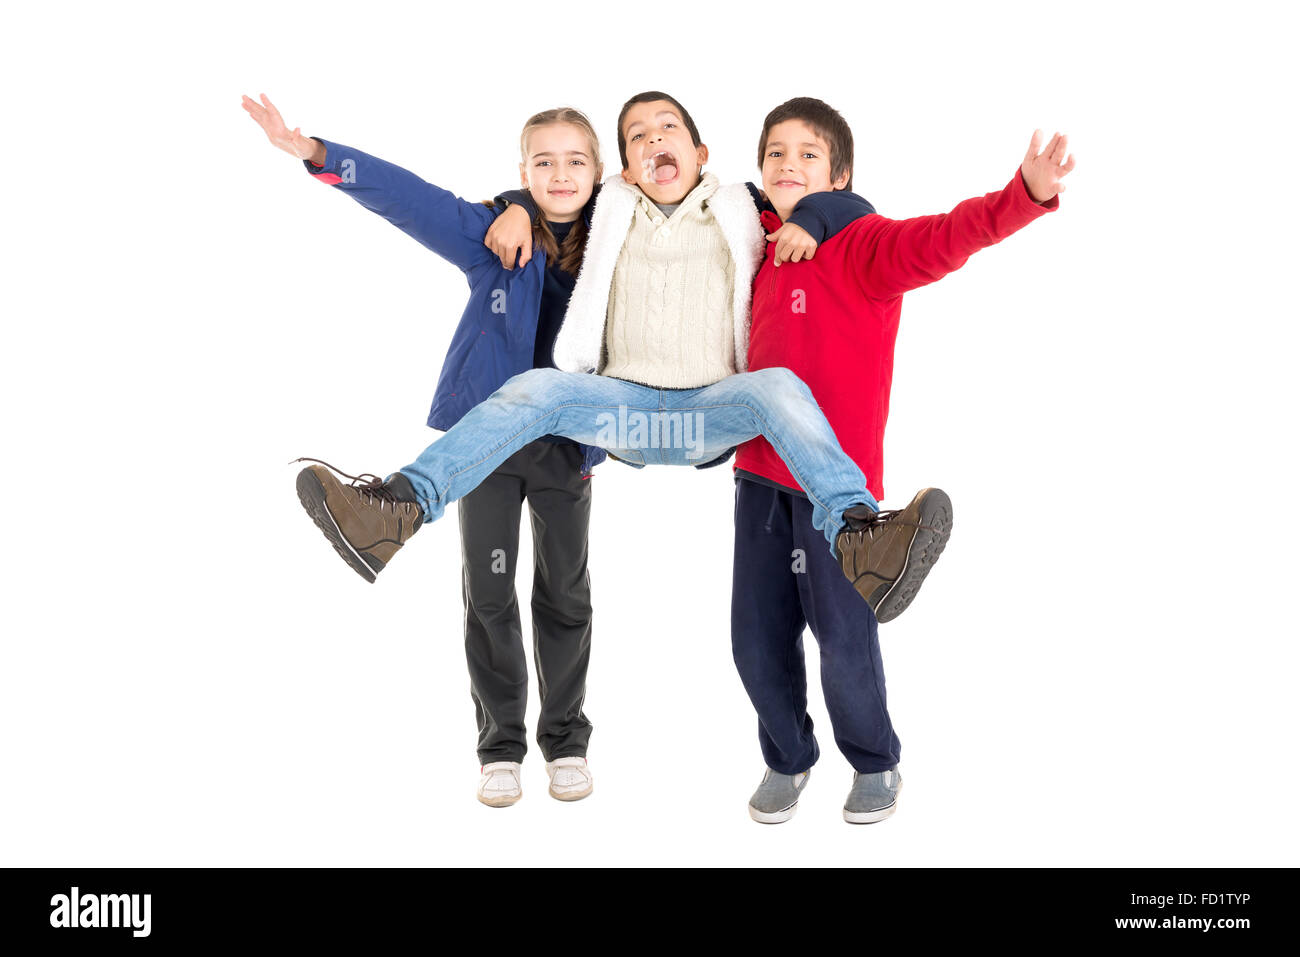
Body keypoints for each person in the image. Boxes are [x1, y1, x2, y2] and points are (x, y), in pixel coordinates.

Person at [293, 91, 953, 626]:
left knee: (776, 385)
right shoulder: (605, 215)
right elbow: (489, 198)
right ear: (625, 168)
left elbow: (832, 198)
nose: (652, 137)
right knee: (539, 391)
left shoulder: (747, 210)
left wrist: (824, 211)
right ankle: (396, 510)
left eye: (667, 127)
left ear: (699, 153)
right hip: (625, 413)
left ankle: (860, 536)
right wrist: (515, 204)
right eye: (637, 135)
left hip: (706, 417)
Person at [242, 94, 606, 809]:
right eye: (543, 163)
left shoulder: (617, 245)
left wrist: (517, 203)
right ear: (524, 169)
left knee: (566, 593)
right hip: (485, 449)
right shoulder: (496, 234)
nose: (560, 175)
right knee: (490, 592)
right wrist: (318, 153)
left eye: (575, 161)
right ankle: (500, 744)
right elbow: (412, 200)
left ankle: (565, 739)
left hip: (568, 447)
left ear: (599, 171)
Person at [734, 97, 1074, 825]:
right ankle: (788, 757)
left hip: (837, 496)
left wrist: (1023, 197)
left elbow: (941, 238)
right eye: (775, 155)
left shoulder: (859, 245)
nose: (788, 165)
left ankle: (874, 759)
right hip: (758, 477)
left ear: (842, 177)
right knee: (754, 635)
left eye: (808, 155)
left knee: (843, 638)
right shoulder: (755, 255)